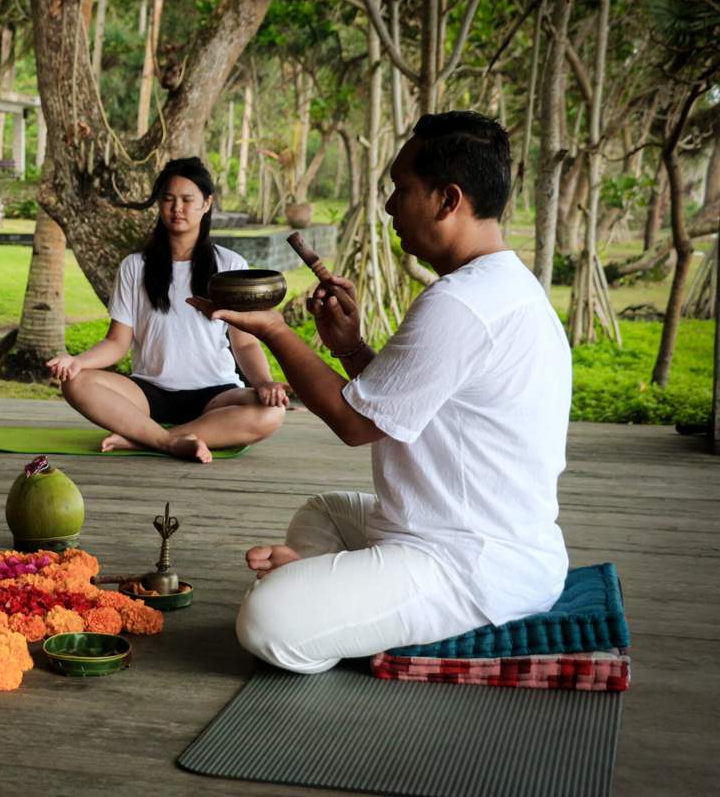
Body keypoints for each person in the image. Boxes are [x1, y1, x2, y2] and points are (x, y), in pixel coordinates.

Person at [191, 111, 571, 673]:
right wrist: (349, 346)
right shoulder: (503, 286)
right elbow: (401, 405)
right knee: (325, 510)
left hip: (469, 562)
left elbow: (354, 424)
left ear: (448, 199)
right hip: (464, 533)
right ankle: (329, 588)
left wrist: (272, 329)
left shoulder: (460, 304)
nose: (392, 206)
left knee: (265, 622)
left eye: (403, 189)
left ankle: (319, 606)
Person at [46, 157, 289, 464]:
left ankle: (143, 438)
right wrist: (76, 362)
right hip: (148, 393)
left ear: (207, 203)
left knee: (271, 413)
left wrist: (264, 382)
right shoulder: (136, 266)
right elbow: (116, 342)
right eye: (168, 199)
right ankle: (164, 440)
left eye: (188, 200)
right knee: (76, 383)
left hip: (216, 394)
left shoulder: (230, 265)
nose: (177, 209)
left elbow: (245, 342)